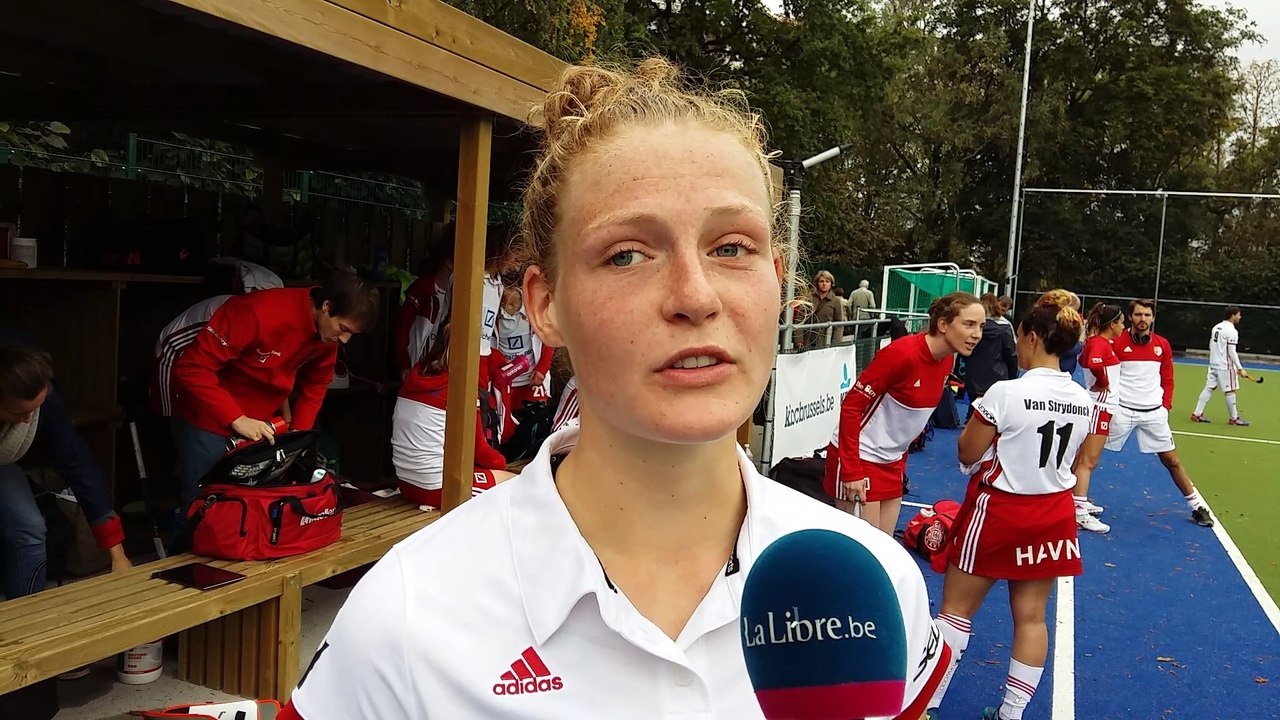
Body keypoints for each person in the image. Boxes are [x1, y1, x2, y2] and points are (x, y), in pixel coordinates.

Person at [278, 57, 949, 720]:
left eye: (732, 248)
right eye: (627, 254)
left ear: (777, 278)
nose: (695, 296)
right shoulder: (407, 614)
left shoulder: (877, 583)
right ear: (546, 304)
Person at [169, 273, 380, 506]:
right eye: (343, 329)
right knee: (201, 507)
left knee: (244, 509)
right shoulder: (258, 312)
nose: (345, 340)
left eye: (351, 333)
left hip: (260, 429)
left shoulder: (326, 336)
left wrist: (297, 436)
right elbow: (190, 368)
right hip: (209, 420)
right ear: (326, 307)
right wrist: (236, 418)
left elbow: (316, 383)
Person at [825, 291, 984, 535]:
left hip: (892, 463)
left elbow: (909, 420)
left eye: (981, 326)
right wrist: (851, 470)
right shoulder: (901, 354)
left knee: (886, 549)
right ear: (943, 324)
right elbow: (851, 407)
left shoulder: (947, 360)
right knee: (861, 553)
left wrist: (900, 459)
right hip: (861, 458)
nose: (977, 334)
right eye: (969, 324)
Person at [0, 338, 131, 601]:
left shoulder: (44, 403)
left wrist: (118, 556)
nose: (27, 420)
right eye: (18, 413)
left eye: (33, 410)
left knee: (30, 528)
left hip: (3, 461)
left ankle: (27, 620)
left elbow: (79, 464)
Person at [1106, 299, 1214, 527]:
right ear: (1130, 317)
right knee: (1090, 455)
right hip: (1122, 411)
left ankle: (1196, 506)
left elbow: (1168, 379)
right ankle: (1073, 502)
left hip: (1153, 413)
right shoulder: (1117, 342)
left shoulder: (1162, 344)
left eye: (1146, 315)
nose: (1142, 319)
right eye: (1138, 315)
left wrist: (1165, 406)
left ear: (1152, 318)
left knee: (1172, 460)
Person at [392, 322, 516, 509]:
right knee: (515, 484)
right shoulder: (460, 386)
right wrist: (502, 462)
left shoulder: (416, 374)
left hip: (406, 483)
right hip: (436, 488)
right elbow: (479, 450)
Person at [1071, 302, 1126, 535]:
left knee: (1083, 460)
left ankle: (1075, 502)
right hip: (1098, 406)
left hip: (1101, 406)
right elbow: (1093, 362)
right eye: (1121, 322)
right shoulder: (1099, 343)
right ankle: (1079, 511)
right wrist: (1103, 381)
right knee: (1087, 461)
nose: (1124, 327)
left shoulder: (1101, 343)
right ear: (1112, 324)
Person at [396, 228, 455, 374]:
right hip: (414, 368)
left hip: (434, 369)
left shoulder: (453, 293)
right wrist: (404, 365)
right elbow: (402, 330)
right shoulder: (421, 289)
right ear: (449, 263)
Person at [1191, 306, 1250, 426]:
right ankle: (1234, 418)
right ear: (1233, 315)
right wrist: (1240, 368)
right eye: (1238, 315)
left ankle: (1197, 414)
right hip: (1225, 366)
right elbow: (1232, 352)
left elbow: (1211, 345)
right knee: (1230, 391)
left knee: (1209, 388)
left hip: (1213, 364)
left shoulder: (1216, 327)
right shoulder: (1232, 331)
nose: (1240, 317)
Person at [964, 293, 1018, 422]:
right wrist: (1013, 376)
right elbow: (1011, 355)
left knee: (974, 409)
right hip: (998, 377)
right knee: (994, 415)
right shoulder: (1005, 328)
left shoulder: (970, 330)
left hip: (974, 375)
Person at [803, 269, 844, 347]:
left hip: (826, 340)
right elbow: (800, 319)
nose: (824, 284)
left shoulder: (836, 301)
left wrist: (836, 343)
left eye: (827, 281)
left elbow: (838, 324)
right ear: (817, 283)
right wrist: (799, 341)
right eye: (821, 281)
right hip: (808, 339)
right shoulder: (809, 298)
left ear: (831, 284)